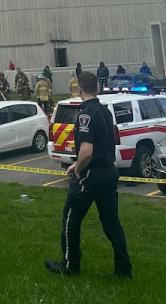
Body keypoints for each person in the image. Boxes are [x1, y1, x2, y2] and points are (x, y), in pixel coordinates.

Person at [45, 71, 131, 279]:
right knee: (111, 223)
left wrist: (76, 167)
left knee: (71, 219)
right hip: (109, 173)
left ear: (79, 89)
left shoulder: (85, 114)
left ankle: (70, 264)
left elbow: (86, 151)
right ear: (97, 88)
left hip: (90, 175)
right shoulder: (105, 111)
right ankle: (123, 268)